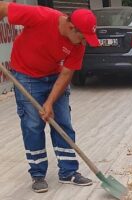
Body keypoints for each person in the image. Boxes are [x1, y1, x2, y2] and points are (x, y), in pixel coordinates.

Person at [0, 2, 99, 193]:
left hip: (55, 75)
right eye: (83, 36)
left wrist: (50, 102)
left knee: (62, 121)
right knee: (33, 125)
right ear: (71, 27)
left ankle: (69, 172)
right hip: (26, 75)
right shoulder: (41, 16)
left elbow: (66, 74)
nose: (84, 42)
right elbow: (3, 7)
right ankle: (37, 174)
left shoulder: (78, 44)